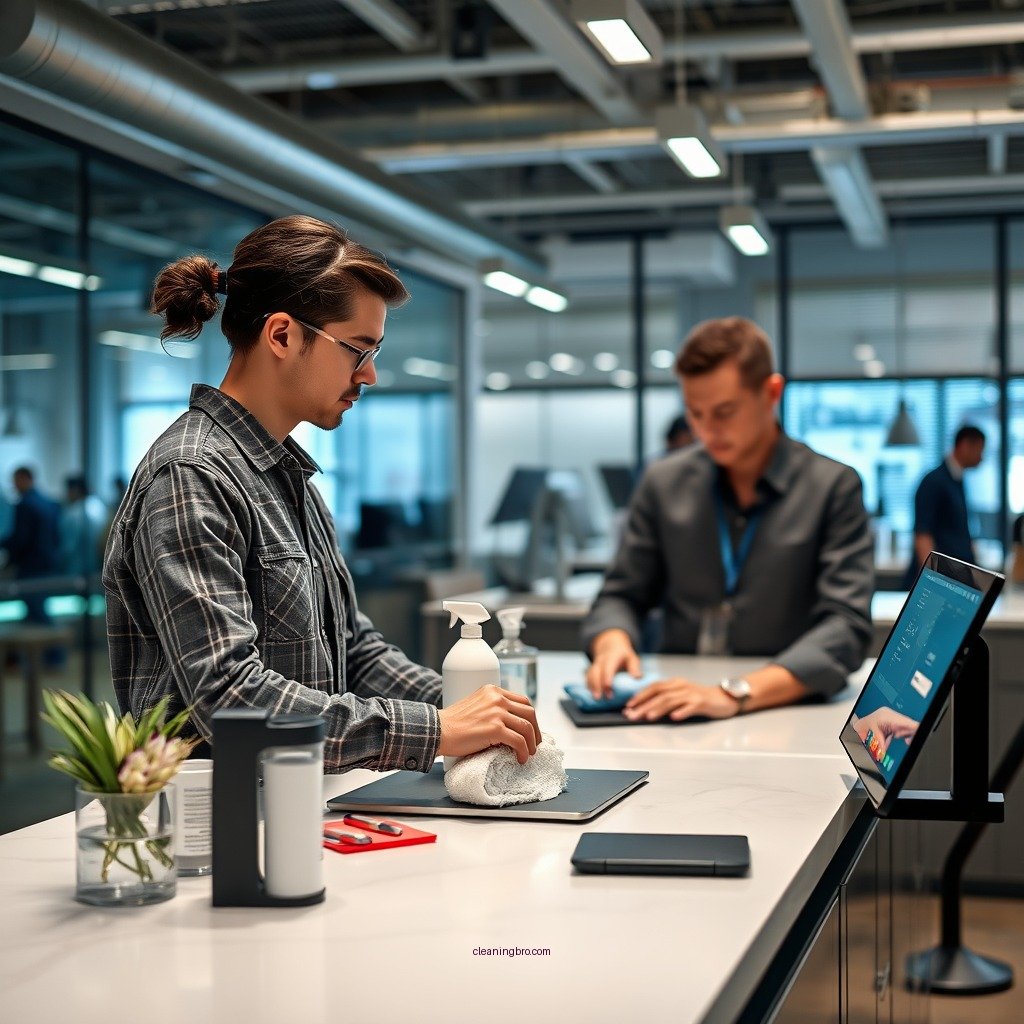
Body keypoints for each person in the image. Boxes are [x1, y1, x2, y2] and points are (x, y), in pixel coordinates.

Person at [103, 215, 540, 772]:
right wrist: (435, 729)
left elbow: (351, 650)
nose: (371, 375)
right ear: (282, 334)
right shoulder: (192, 475)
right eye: (358, 349)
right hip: (215, 831)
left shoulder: (287, 479)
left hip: (301, 805)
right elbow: (232, 701)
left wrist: (470, 711)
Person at [582, 316, 873, 721]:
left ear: (772, 392)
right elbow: (620, 595)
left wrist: (735, 693)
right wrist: (612, 642)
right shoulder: (664, 482)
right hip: (676, 708)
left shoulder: (832, 487)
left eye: (724, 411)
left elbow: (845, 627)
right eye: (695, 414)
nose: (707, 430)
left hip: (784, 709)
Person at [905, 424, 985, 585]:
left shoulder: (957, 480)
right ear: (964, 446)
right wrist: (931, 582)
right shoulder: (934, 481)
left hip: (955, 578)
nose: (982, 457)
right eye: (980, 449)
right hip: (942, 580)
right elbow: (923, 534)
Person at [0, 466, 62, 624]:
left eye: (15, 481)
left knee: (36, 611)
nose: (14, 486)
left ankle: (52, 648)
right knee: (38, 608)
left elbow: (21, 539)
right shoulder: (48, 503)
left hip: (30, 564)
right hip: (47, 563)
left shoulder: (25, 505)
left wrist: (9, 558)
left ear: (24, 479)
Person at [59, 475, 107, 579]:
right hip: (99, 565)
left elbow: (68, 547)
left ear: (75, 490)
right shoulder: (98, 506)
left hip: (76, 567)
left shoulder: (73, 513)